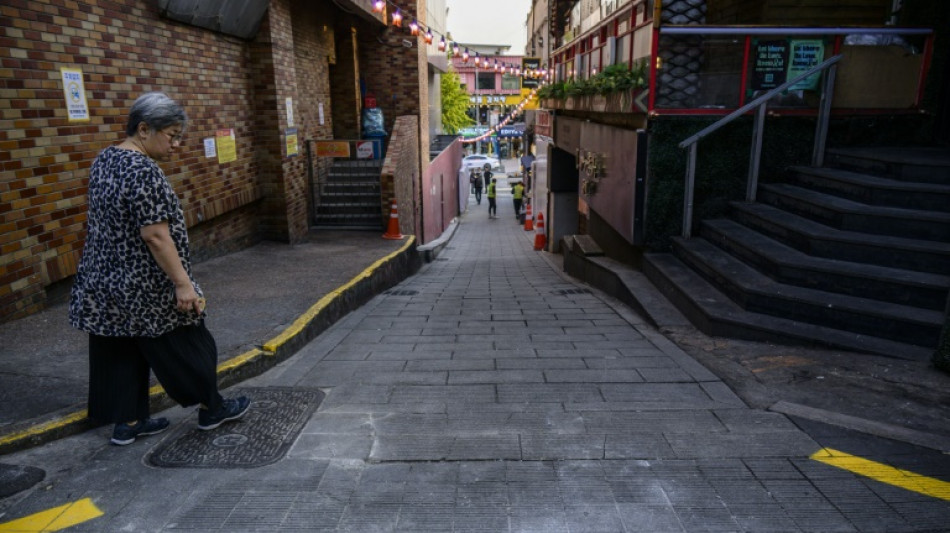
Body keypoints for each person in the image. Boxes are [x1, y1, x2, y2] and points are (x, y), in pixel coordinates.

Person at [69, 92, 250, 446]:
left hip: (104, 280)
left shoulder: (105, 160)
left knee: (120, 349)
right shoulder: (142, 170)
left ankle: (129, 422)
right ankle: (212, 407)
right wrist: (183, 284)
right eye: (172, 135)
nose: (177, 144)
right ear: (143, 129)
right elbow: (155, 235)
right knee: (190, 340)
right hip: (146, 283)